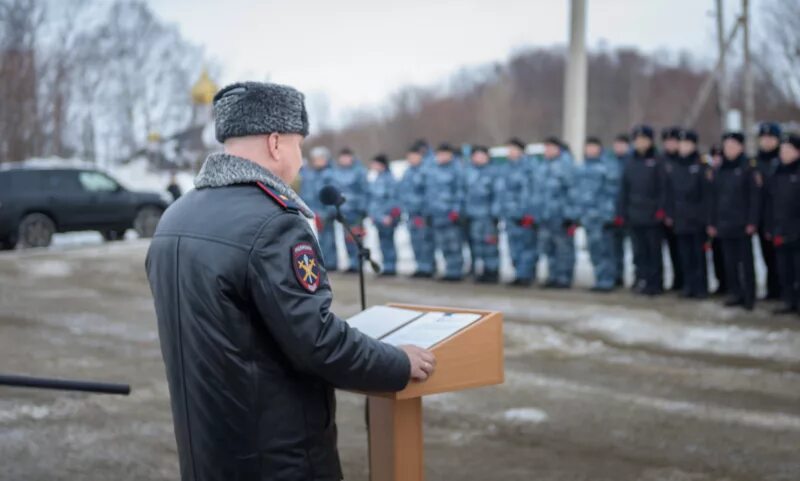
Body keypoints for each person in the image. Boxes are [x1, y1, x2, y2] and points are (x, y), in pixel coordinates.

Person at [145, 81, 435, 481]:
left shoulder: (176, 216)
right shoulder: (274, 223)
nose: (300, 159)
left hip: (208, 449)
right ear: (276, 143)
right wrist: (398, 363)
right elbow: (316, 343)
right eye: (299, 144)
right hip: (277, 456)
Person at [707, 131, 761, 310]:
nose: (729, 149)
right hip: (724, 223)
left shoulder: (748, 168)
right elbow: (713, 198)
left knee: (745, 262)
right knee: (729, 262)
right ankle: (735, 293)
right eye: (727, 146)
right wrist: (712, 222)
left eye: (733, 145)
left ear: (741, 147)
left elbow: (754, 197)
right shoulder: (719, 169)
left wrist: (752, 221)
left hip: (742, 223)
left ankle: (749, 296)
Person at [618, 125, 666, 296]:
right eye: (637, 140)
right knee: (638, 252)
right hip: (634, 213)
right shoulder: (630, 161)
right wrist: (622, 211)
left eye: (644, 140)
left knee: (653, 251)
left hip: (652, 214)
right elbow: (624, 188)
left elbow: (663, 188)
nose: (640, 143)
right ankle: (640, 279)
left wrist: (661, 210)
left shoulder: (658, 161)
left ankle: (655, 283)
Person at [664, 129, 709, 298]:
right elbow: (669, 192)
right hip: (680, 218)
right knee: (684, 254)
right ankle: (688, 285)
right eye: (681, 144)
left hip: (696, 219)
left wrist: (704, 217)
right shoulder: (675, 165)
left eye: (687, 144)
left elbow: (706, 195)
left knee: (698, 255)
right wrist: (670, 213)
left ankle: (701, 287)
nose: (683, 147)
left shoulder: (701, 165)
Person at [575, 137, 620, 291]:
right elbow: (578, 193)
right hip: (588, 218)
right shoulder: (582, 168)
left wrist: (609, 215)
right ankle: (599, 279)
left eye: (593, 147)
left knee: (605, 250)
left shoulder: (607, 167)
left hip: (601, 217)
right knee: (594, 250)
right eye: (588, 147)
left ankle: (607, 280)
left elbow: (612, 193)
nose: (590, 150)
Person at [534, 136, 578, 289]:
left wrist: (571, 215)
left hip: (560, 216)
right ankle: (552, 276)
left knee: (564, 249)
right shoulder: (542, 166)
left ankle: (564, 277)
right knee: (548, 248)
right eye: (546, 148)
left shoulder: (566, 166)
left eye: (550, 148)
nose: (547, 151)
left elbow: (573, 192)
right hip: (546, 216)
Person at [764, 133, 800, 315]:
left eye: (788, 150)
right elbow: (770, 202)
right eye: (782, 150)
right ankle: (788, 301)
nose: (784, 153)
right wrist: (770, 226)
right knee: (784, 269)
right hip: (780, 228)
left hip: (797, 230)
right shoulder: (776, 172)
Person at [496, 138, 538, 286]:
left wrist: (527, 213)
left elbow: (530, 193)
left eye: (513, 149)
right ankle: (519, 273)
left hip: (523, 215)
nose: (510, 152)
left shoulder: (529, 168)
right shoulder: (506, 168)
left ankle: (526, 275)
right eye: (509, 149)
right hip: (509, 214)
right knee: (513, 247)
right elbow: (500, 192)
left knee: (526, 246)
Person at [424, 143, 464, 281]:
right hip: (437, 215)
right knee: (443, 245)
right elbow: (429, 193)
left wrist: (456, 211)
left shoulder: (456, 170)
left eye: (443, 154)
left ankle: (456, 271)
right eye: (438, 154)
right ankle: (449, 270)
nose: (440, 157)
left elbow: (460, 192)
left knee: (454, 245)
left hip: (450, 214)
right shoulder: (433, 170)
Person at [464, 145, 501, 283]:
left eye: (482, 155)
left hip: (488, 217)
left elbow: (498, 195)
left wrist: (495, 214)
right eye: (476, 155)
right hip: (473, 217)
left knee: (490, 244)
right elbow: (464, 194)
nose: (479, 158)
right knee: (476, 245)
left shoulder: (493, 173)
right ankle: (480, 270)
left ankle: (492, 270)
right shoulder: (468, 172)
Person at [755, 122, 782, 300]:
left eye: (770, 138)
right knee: (767, 256)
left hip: (781, 217)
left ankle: (785, 290)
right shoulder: (755, 162)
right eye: (763, 138)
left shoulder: (784, 160)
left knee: (782, 258)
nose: (766, 142)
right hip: (761, 216)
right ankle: (773, 290)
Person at [330, 147, 369, 273]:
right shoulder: (336, 172)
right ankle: (351, 263)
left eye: (347, 157)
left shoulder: (359, 172)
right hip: (343, 211)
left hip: (356, 211)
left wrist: (363, 209)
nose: (344, 160)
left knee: (356, 238)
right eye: (342, 157)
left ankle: (358, 263)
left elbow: (365, 191)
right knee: (346, 238)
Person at [399, 142, 434, 278]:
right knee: (415, 242)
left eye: (414, 156)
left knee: (425, 242)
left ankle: (428, 267)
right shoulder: (407, 172)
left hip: (422, 213)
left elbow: (430, 193)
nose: (411, 159)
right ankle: (420, 266)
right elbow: (402, 191)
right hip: (411, 214)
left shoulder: (426, 171)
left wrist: (424, 210)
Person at [300, 146, 337, 270]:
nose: (317, 161)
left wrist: (330, 210)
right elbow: (309, 193)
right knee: (320, 238)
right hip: (317, 212)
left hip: (328, 212)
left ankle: (331, 263)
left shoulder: (331, 174)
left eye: (320, 159)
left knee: (329, 238)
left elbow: (333, 193)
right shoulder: (311, 175)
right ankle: (325, 261)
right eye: (315, 159)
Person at [367, 153, 401, 276]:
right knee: (382, 243)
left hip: (387, 218)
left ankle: (391, 267)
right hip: (379, 218)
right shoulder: (376, 178)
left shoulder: (389, 180)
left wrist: (390, 216)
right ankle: (386, 266)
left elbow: (393, 200)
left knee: (389, 243)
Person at [660, 126, 684, 292]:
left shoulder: (685, 160)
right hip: (664, 212)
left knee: (683, 251)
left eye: (673, 141)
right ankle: (676, 280)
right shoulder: (660, 160)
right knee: (670, 250)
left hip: (683, 214)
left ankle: (684, 280)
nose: (670, 144)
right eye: (667, 141)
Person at [610, 134, 631, 286]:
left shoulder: (631, 162)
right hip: (612, 211)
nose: (618, 148)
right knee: (614, 246)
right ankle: (616, 274)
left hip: (630, 211)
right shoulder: (609, 162)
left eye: (622, 145)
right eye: (616, 144)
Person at [707, 144, 727, 296]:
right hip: (713, 220)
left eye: (719, 156)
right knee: (716, 255)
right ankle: (721, 283)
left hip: (730, 221)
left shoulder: (728, 172)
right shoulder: (709, 174)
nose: (716, 160)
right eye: (714, 157)